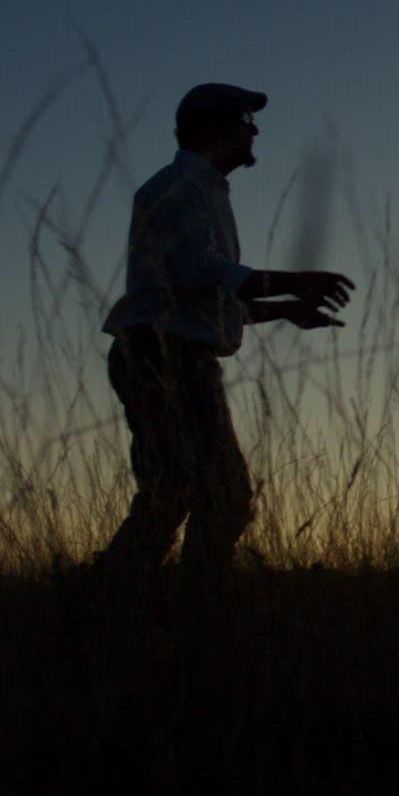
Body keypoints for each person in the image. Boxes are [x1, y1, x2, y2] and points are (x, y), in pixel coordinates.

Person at [96, 83, 355, 578]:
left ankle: (114, 603)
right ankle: (181, 606)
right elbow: (202, 273)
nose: (255, 131)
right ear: (217, 127)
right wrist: (294, 281)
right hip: (162, 356)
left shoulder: (202, 191)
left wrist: (284, 309)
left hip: (171, 353)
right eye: (245, 120)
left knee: (177, 493)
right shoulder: (177, 190)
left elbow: (203, 299)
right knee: (215, 494)